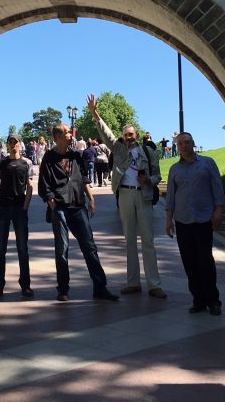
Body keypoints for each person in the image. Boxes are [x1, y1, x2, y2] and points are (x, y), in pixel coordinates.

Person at [86, 94, 165, 299]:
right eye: (126, 135)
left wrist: (149, 180)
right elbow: (106, 134)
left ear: (136, 135)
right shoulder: (118, 149)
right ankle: (133, 282)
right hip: (125, 196)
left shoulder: (148, 152)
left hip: (144, 196)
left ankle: (154, 284)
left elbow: (158, 175)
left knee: (148, 240)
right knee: (129, 240)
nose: (128, 137)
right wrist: (95, 114)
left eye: (131, 135)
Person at [37, 122, 119, 303]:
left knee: (90, 247)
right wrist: (52, 204)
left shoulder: (76, 156)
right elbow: (44, 186)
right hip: (59, 208)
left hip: (78, 206)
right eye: (67, 132)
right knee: (62, 249)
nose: (71, 134)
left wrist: (91, 198)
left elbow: (83, 178)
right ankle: (63, 288)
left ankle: (100, 287)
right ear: (57, 137)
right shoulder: (49, 158)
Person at [164, 132, 225, 316]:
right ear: (177, 146)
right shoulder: (174, 169)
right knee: (189, 262)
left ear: (193, 143)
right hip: (182, 221)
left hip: (203, 219)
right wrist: (168, 220)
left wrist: (219, 210)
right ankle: (198, 300)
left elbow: (217, 187)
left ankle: (213, 300)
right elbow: (171, 197)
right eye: (180, 143)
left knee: (205, 260)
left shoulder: (207, 163)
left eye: (187, 142)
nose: (183, 146)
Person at [0, 135, 34, 299]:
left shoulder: (27, 163)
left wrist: (25, 207)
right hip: (3, 207)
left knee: (23, 248)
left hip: (19, 208)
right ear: (7, 144)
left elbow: (30, 186)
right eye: (10, 142)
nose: (13, 144)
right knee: (0, 248)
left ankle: (25, 285)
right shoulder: (1, 162)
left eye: (16, 142)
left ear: (20, 144)